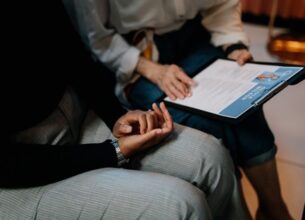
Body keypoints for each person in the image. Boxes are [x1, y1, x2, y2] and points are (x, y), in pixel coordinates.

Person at [0, 1, 250, 219]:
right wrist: (113, 152)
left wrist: (116, 116)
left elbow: (72, 50)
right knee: (182, 206)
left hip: (76, 115)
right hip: (18, 171)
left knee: (213, 157)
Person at [63, 0, 294, 219]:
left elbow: (222, 5)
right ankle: (237, 209)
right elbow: (97, 37)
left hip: (192, 34)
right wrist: (151, 69)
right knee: (204, 126)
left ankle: (274, 209)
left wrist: (234, 45)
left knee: (245, 106)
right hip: (134, 50)